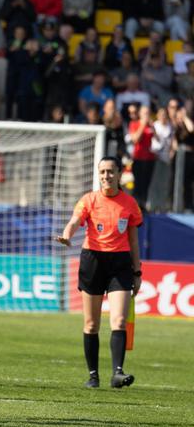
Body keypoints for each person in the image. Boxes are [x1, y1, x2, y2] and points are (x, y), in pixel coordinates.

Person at [56, 156, 142, 389]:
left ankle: (117, 373)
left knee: (119, 320)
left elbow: (133, 241)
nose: (106, 176)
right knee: (92, 324)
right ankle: (93, 376)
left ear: (119, 174)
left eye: (110, 171)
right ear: (98, 174)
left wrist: (137, 271)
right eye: (102, 172)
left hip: (120, 264)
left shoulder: (129, 204)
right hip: (93, 260)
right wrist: (66, 234)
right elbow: (75, 221)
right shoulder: (89, 200)